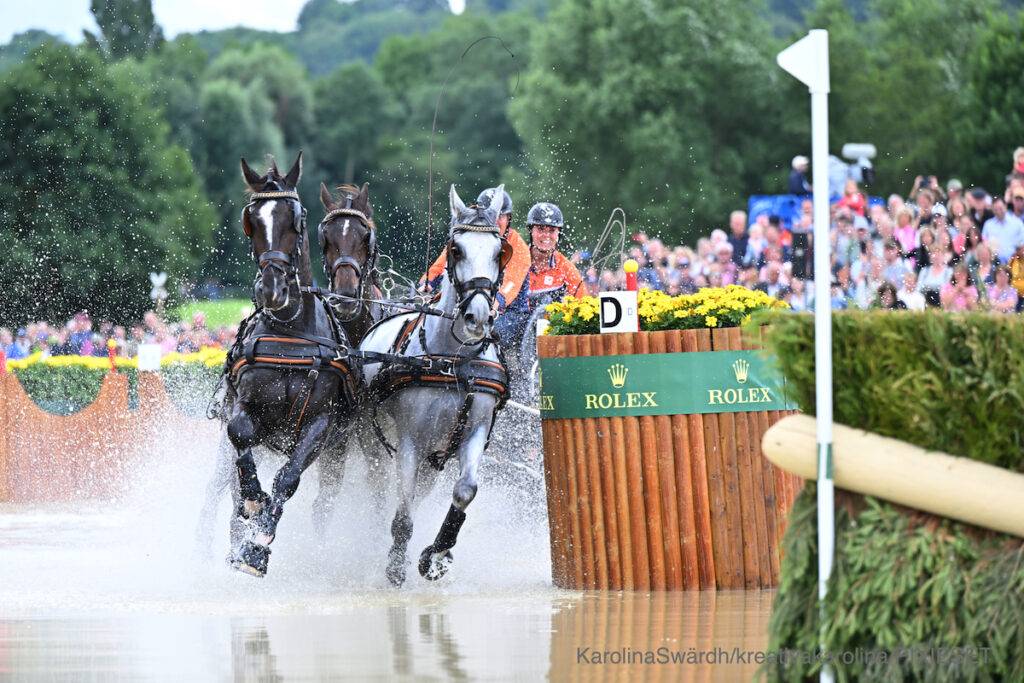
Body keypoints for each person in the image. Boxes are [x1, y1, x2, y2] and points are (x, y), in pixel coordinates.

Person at [493, 201, 586, 350]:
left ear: (558, 233)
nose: (546, 235)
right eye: (540, 229)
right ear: (531, 231)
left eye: (552, 230)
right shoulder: (515, 259)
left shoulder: (567, 269)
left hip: (549, 339)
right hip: (513, 336)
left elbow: (583, 305)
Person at [421, 186, 531, 311]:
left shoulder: (520, 248)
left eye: (499, 216)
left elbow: (511, 282)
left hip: (510, 311)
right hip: (478, 301)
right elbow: (441, 266)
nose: (493, 222)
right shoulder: (468, 239)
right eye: (487, 216)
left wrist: (497, 300)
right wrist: (427, 284)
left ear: (508, 219)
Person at [982, 196, 1024, 263]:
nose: (998, 211)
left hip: (1014, 263)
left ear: (1005, 206)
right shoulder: (988, 224)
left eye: (1000, 208)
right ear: (992, 210)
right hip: (994, 263)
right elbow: (984, 243)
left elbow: (1022, 244)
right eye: (995, 209)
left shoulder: (1017, 223)